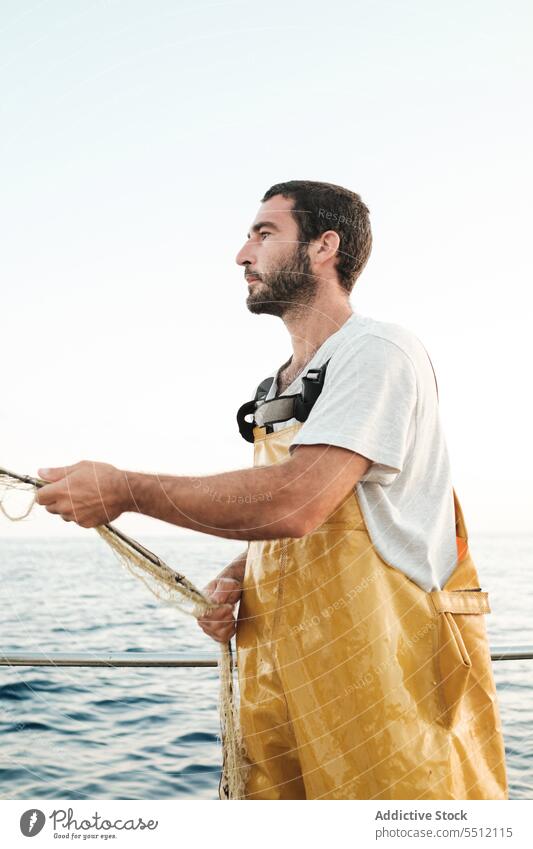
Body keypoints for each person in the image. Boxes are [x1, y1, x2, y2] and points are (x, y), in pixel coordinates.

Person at [36, 180, 508, 800]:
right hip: (284, 675)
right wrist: (242, 571)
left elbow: (296, 501)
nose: (241, 254)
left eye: (264, 234)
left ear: (323, 247)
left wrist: (125, 490)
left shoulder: (378, 350)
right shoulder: (280, 384)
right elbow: (335, 505)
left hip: (386, 673)